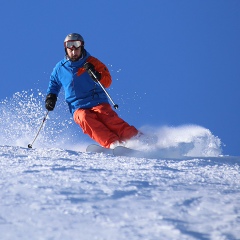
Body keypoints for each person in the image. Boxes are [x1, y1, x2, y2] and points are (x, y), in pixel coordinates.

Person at [45, 33, 140, 149]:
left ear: (82, 47)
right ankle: (113, 143)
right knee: (85, 118)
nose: (74, 52)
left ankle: (137, 138)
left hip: (97, 101)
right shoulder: (60, 68)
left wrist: (97, 76)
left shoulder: (92, 62)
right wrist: (51, 97)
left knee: (108, 119)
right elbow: (53, 83)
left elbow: (107, 81)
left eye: (77, 47)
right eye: (70, 48)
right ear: (66, 48)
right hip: (77, 106)